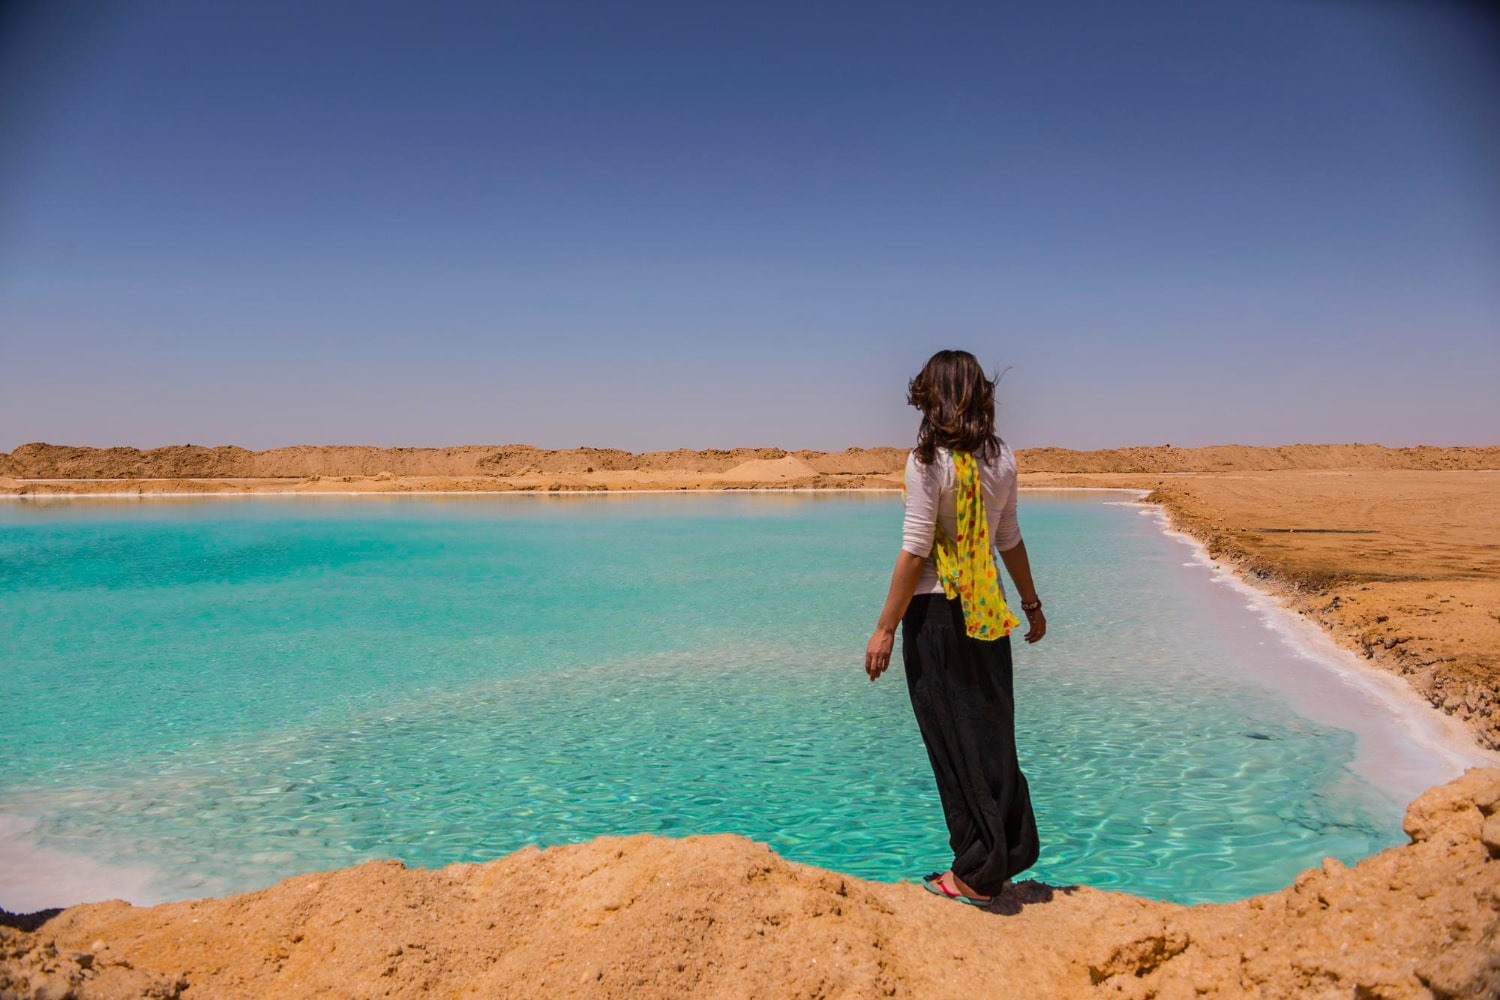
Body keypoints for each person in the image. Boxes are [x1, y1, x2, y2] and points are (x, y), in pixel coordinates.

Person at [865, 348, 1046, 906]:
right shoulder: (1002, 457)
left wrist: (884, 628)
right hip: (988, 612)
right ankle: (1000, 856)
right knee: (990, 738)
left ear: (934, 397)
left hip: (939, 616)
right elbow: (1008, 538)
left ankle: (974, 871)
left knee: (951, 739)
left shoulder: (927, 462)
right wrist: (1033, 604)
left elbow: (916, 548)